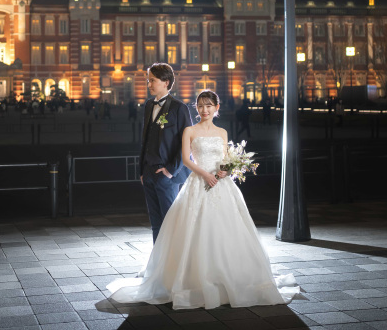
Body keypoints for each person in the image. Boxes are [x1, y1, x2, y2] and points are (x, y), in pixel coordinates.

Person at [107, 90, 298, 309]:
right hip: (199, 181)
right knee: (192, 228)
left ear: (217, 108)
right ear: (196, 108)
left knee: (226, 229)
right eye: (200, 106)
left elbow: (225, 157)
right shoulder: (190, 130)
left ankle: (227, 275)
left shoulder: (222, 132)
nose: (204, 110)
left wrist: (225, 170)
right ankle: (191, 277)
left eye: (208, 106)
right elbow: (185, 159)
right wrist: (205, 174)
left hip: (221, 184)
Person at [139, 62, 193, 243]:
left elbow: (188, 142)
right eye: (148, 80)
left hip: (167, 175)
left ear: (166, 82)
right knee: (155, 223)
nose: (149, 84)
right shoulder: (148, 105)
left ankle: (174, 264)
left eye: (152, 81)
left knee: (171, 222)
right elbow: (145, 139)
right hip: (148, 173)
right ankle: (158, 264)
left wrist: (170, 171)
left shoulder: (179, 108)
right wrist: (142, 171)